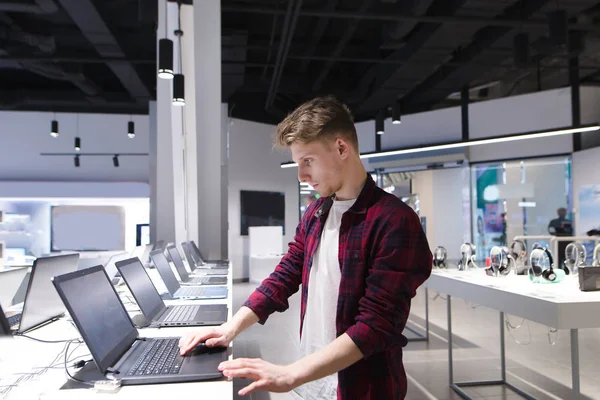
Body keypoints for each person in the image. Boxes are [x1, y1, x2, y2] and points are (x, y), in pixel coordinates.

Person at [178, 96, 433, 399]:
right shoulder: (316, 213)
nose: (301, 175)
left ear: (341, 149)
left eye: (308, 161)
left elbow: (376, 325)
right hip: (314, 383)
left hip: (362, 389)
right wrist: (230, 327)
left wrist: (290, 374)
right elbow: (286, 274)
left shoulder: (394, 221)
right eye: (298, 163)